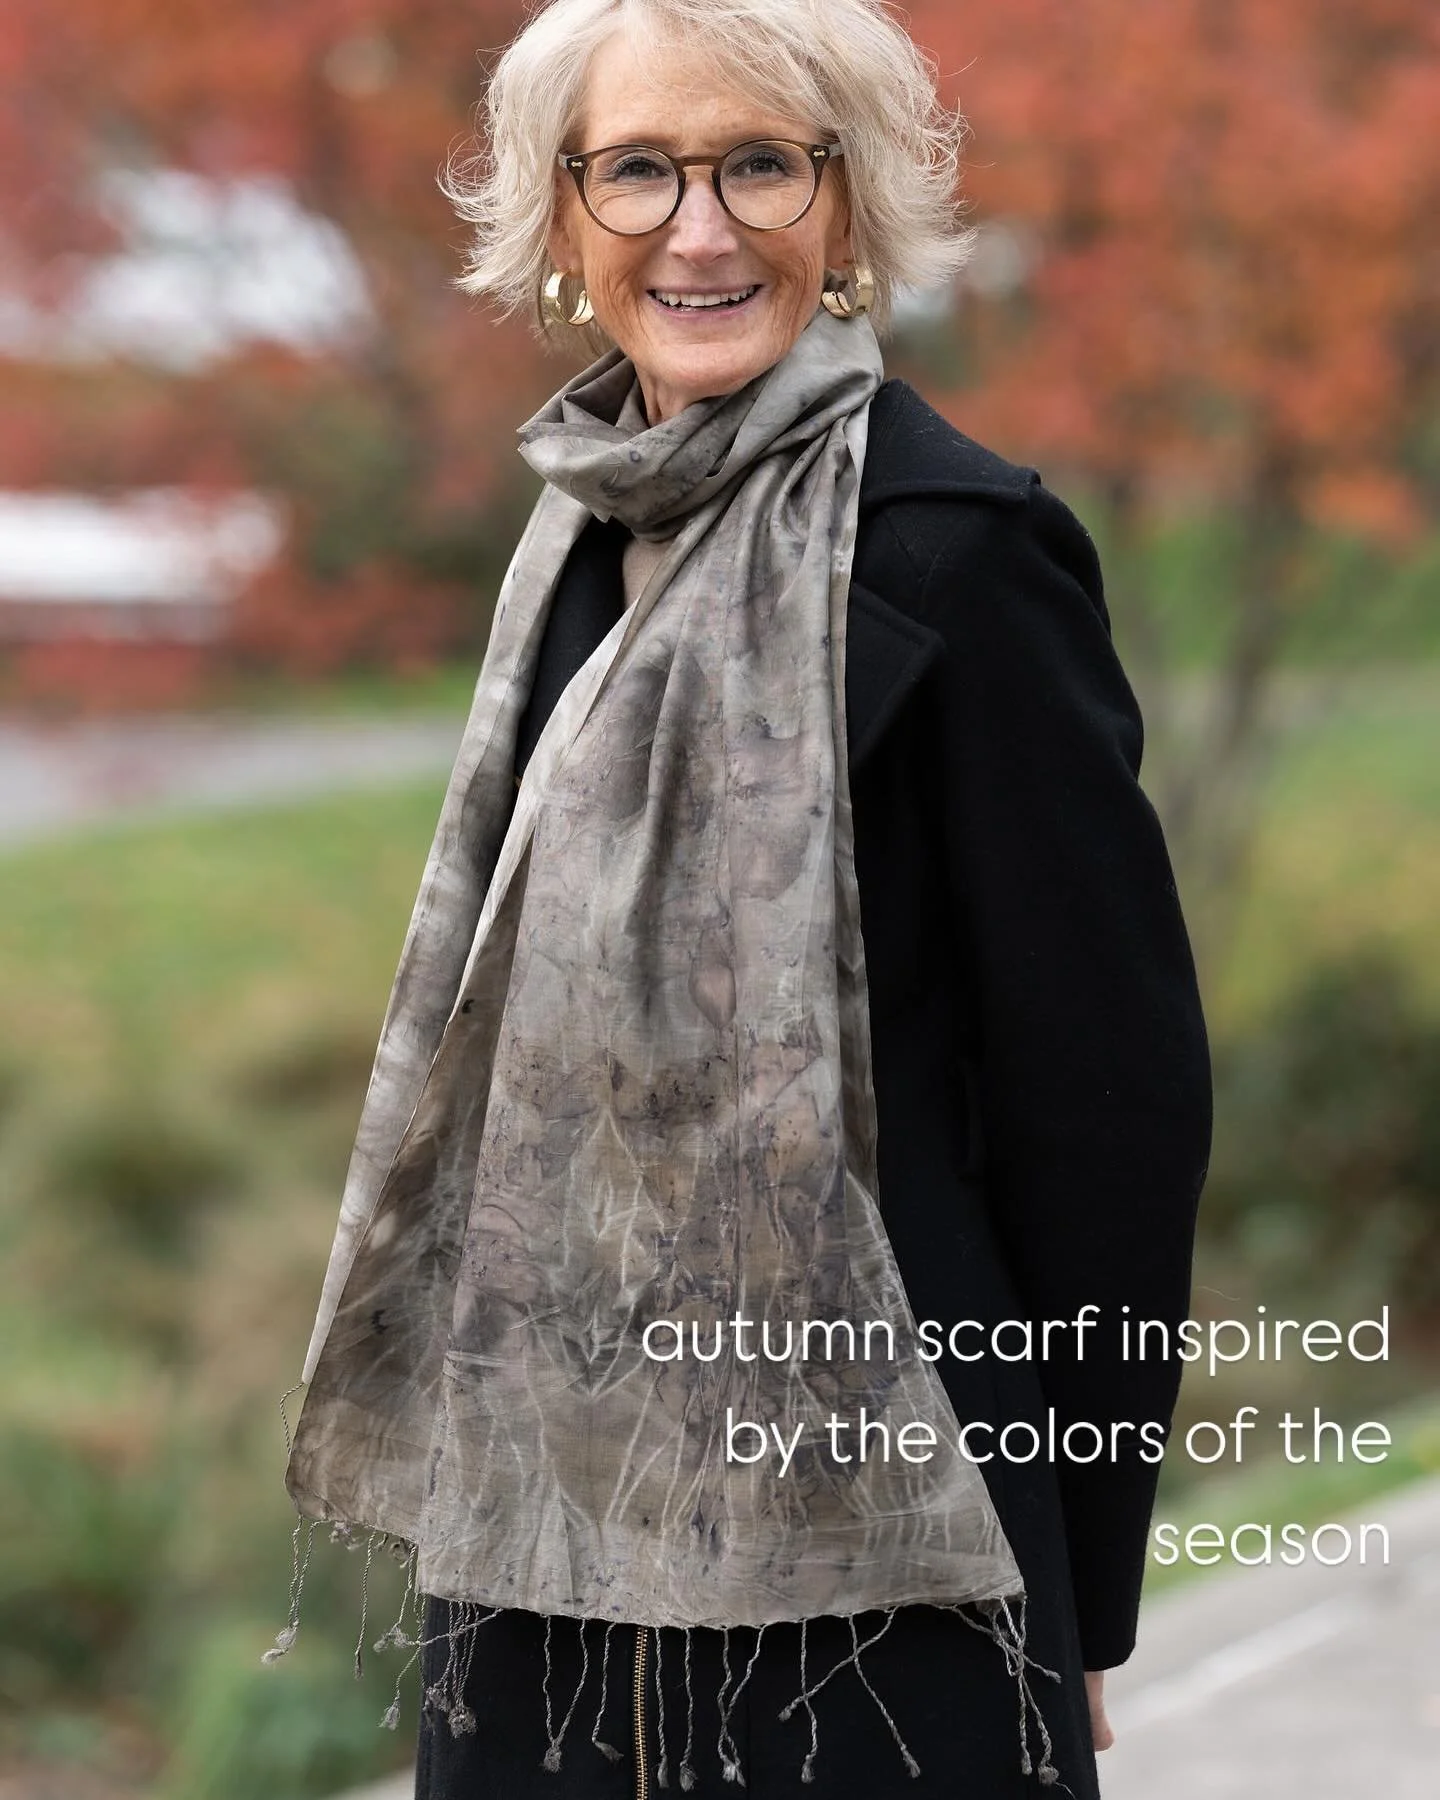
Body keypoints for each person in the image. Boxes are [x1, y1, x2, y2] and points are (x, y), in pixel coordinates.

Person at [277, 2, 1212, 1796]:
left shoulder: (967, 553)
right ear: (565, 222)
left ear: (844, 212)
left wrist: (1077, 1588)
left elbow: (1109, 1110)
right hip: (544, 1543)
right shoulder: (575, 540)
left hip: (899, 1539)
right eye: (637, 170)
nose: (696, 231)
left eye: (759, 165)